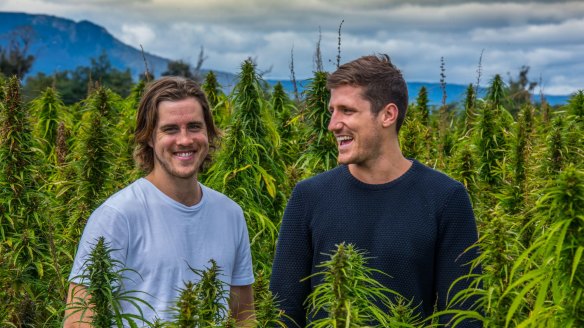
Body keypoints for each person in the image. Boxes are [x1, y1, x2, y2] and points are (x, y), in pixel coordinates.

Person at [270, 54, 481, 327]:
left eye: (347, 111)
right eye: (332, 111)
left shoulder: (446, 198)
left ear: (387, 115)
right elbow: (282, 313)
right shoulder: (308, 197)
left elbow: (463, 316)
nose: (332, 124)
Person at [64, 76, 255, 327]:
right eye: (170, 129)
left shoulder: (230, 213)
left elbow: (243, 317)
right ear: (150, 137)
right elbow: (79, 320)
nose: (185, 140)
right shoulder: (117, 215)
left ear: (209, 133)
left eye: (195, 126)